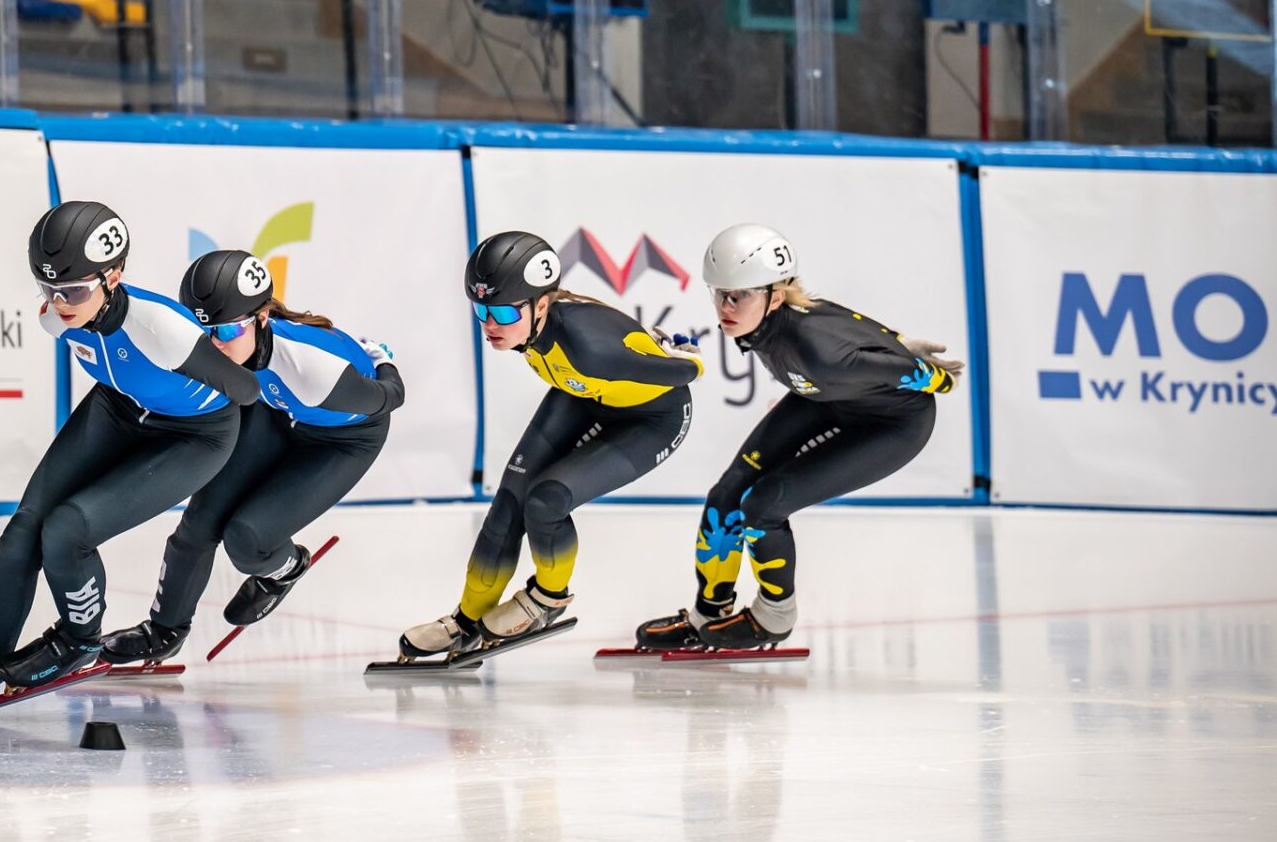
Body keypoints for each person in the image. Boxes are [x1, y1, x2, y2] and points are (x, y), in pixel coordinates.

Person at [0, 202, 261, 700]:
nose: (60, 303)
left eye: (72, 291)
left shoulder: (161, 330)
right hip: (120, 408)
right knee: (24, 531)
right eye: (48, 289)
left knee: (68, 531)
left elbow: (246, 390)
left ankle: (79, 640)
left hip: (194, 435)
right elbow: (73, 320)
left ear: (113, 276)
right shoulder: (58, 315)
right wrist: (65, 302)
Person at [636, 223, 962, 652]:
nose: (725, 307)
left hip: (891, 425)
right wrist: (898, 339)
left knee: (763, 505)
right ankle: (707, 616)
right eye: (719, 293)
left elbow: (914, 375)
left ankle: (775, 617)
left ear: (774, 296)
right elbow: (850, 323)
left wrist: (933, 375)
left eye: (739, 296)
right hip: (825, 396)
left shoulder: (818, 353)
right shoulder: (776, 318)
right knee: (725, 495)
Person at [398, 230, 700, 661]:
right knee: (509, 501)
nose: (490, 325)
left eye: (503, 312)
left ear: (541, 305)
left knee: (546, 500)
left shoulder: (590, 348)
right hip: (585, 394)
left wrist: (683, 356)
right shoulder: (528, 327)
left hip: (653, 419)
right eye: (481, 310)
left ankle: (548, 598)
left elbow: (685, 372)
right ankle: (466, 621)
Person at [100, 249, 405, 664]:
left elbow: (392, 396)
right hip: (279, 413)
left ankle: (287, 567)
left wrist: (383, 362)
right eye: (203, 330)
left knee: (247, 541)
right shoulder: (238, 346)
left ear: (261, 318)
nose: (214, 344)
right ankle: (164, 631)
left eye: (226, 330)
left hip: (344, 439)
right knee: (199, 523)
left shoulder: (313, 369)